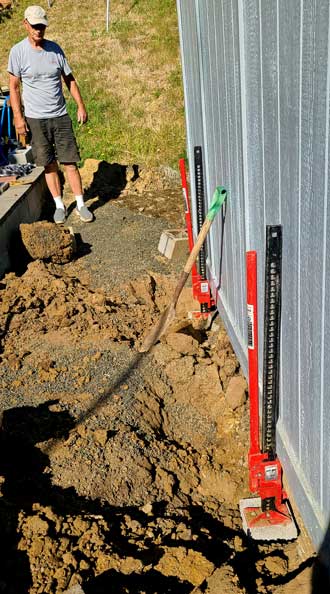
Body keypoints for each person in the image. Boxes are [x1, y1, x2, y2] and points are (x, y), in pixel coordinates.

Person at [7, 5, 93, 224]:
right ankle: (59, 206)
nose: (39, 30)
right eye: (35, 26)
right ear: (25, 24)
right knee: (48, 164)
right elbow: (14, 88)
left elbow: (69, 79)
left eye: (42, 26)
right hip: (36, 119)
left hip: (60, 115)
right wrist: (18, 118)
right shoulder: (18, 52)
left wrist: (81, 106)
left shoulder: (55, 49)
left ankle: (81, 205)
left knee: (70, 162)